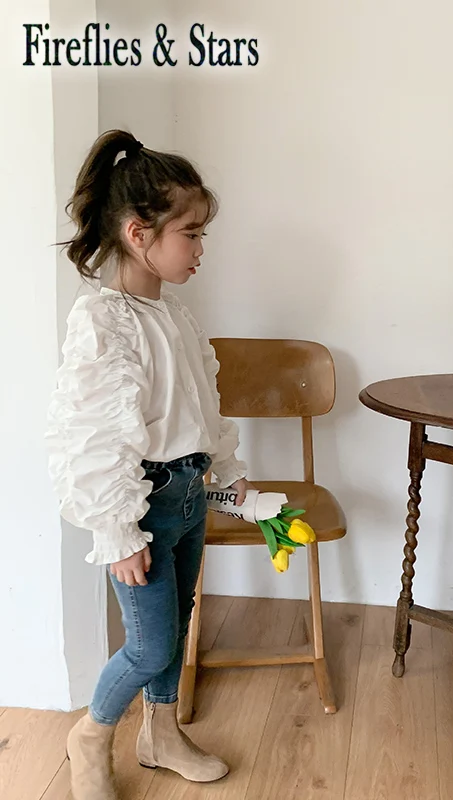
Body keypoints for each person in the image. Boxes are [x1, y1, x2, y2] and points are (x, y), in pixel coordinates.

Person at [46, 129, 254, 800]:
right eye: (191, 234)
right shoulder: (104, 322)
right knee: (149, 645)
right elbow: (93, 435)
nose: (200, 249)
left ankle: (161, 734)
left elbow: (202, 406)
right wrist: (117, 531)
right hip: (144, 508)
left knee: (179, 621)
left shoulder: (176, 317)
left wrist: (230, 472)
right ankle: (91, 735)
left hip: (190, 496)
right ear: (140, 235)